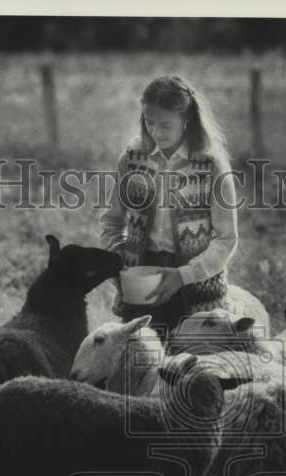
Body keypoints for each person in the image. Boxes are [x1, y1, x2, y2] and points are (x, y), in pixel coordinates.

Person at [100, 75, 238, 334]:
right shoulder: (132, 158)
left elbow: (227, 238)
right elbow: (112, 221)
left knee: (190, 364)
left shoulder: (211, 164)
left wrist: (183, 275)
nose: (156, 132)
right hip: (141, 279)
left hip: (196, 285)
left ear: (187, 120)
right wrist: (119, 266)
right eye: (149, 122)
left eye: (165, 124)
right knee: (140, 361)